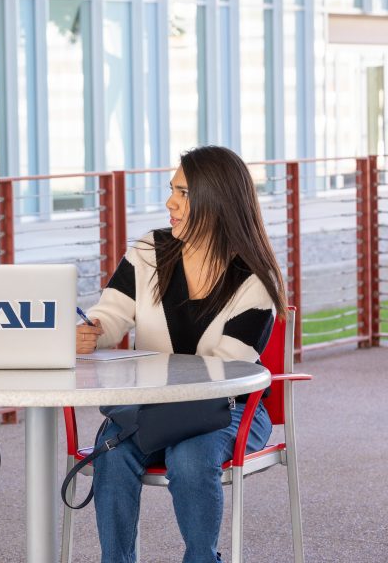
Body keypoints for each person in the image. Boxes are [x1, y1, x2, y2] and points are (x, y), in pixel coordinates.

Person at [76, 145, 285, 563]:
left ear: (217, 200)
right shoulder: (149, 251)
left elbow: (225, 370)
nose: (170, 202)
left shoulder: (255, 281)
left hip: (228, 408)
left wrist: (147, 378)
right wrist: (92, 332)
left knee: (190, 458)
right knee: (113, 458)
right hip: (152, 407)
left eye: (183, 193)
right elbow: (113, 314)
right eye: (171, 189)